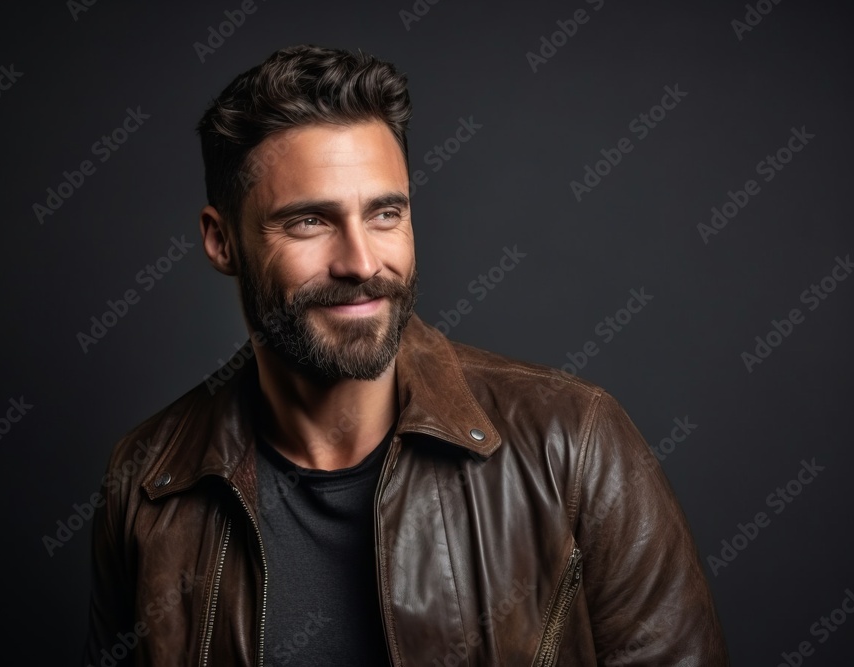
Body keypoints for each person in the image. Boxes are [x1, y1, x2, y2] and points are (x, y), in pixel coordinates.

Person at [83, 44, 729, 666]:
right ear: (221, 240)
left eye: (385, 214)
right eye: (310, 220)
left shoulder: (575, 447)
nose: (362, 262)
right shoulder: (148, 485)